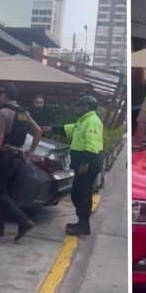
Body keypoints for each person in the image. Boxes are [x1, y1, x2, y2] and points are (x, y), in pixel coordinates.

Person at [0, 83, 42, 242]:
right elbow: (38, 131)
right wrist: (30, 151)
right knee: (5, 193)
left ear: (4, 96)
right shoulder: (23, 112)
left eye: (0, 96)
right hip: (18, 157)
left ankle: (24, 221)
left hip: (5, 157)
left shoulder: (3, 112)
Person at [48, 96, 104, 236]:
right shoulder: (83, 121)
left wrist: (85, 162)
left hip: (87, 163)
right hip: (83, 163)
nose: (77, 108)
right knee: (78, 193)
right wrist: (51, 128)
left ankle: (83, 225)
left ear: (86, 107)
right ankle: (81, 222)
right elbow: (70, 129)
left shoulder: (92, 121)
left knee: (82, 194)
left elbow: (92, 144)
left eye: (80, 106)